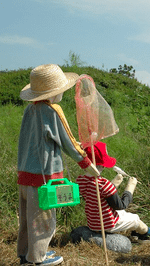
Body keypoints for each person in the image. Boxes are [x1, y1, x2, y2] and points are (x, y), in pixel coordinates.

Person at [17, 64, 100, 265]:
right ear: (55, 92)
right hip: (43, 178)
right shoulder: (53, 110)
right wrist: (88, 165)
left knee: (27, 220)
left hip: (24, 176)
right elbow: (68, 143)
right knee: (43, 221)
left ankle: (25, 254)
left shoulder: (31, 110)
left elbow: (39, 139)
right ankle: (38, 258)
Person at [76, 141, 150, 242]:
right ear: (102, 166)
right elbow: (121, 205)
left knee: (122, 213)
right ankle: (148, 235)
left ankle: (136, 232)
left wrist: (114, 184)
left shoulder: (80, 181)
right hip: (107, 224)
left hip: (93, 222)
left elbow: (98, 195)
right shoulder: (104, 184)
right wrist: (130, 188)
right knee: (135, 218)